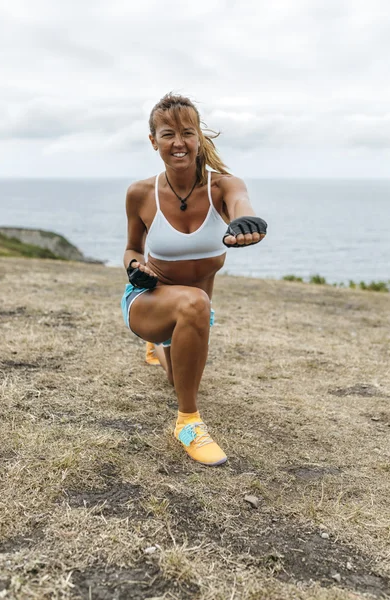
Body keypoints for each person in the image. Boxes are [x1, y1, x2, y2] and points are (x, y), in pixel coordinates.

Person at [121, 94, 267, 467]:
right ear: (154, 141)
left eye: (188, 133)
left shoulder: (223, 187)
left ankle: (159, 349)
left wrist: (244, 223)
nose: (179, 143)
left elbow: (241, 205)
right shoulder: (141, 193)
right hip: (149, 301)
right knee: (195, 303)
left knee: (177, 374)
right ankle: (187, 423)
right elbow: (132, 249)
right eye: (168, 134)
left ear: (199, 137)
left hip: (194, 314)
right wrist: (135, 268)